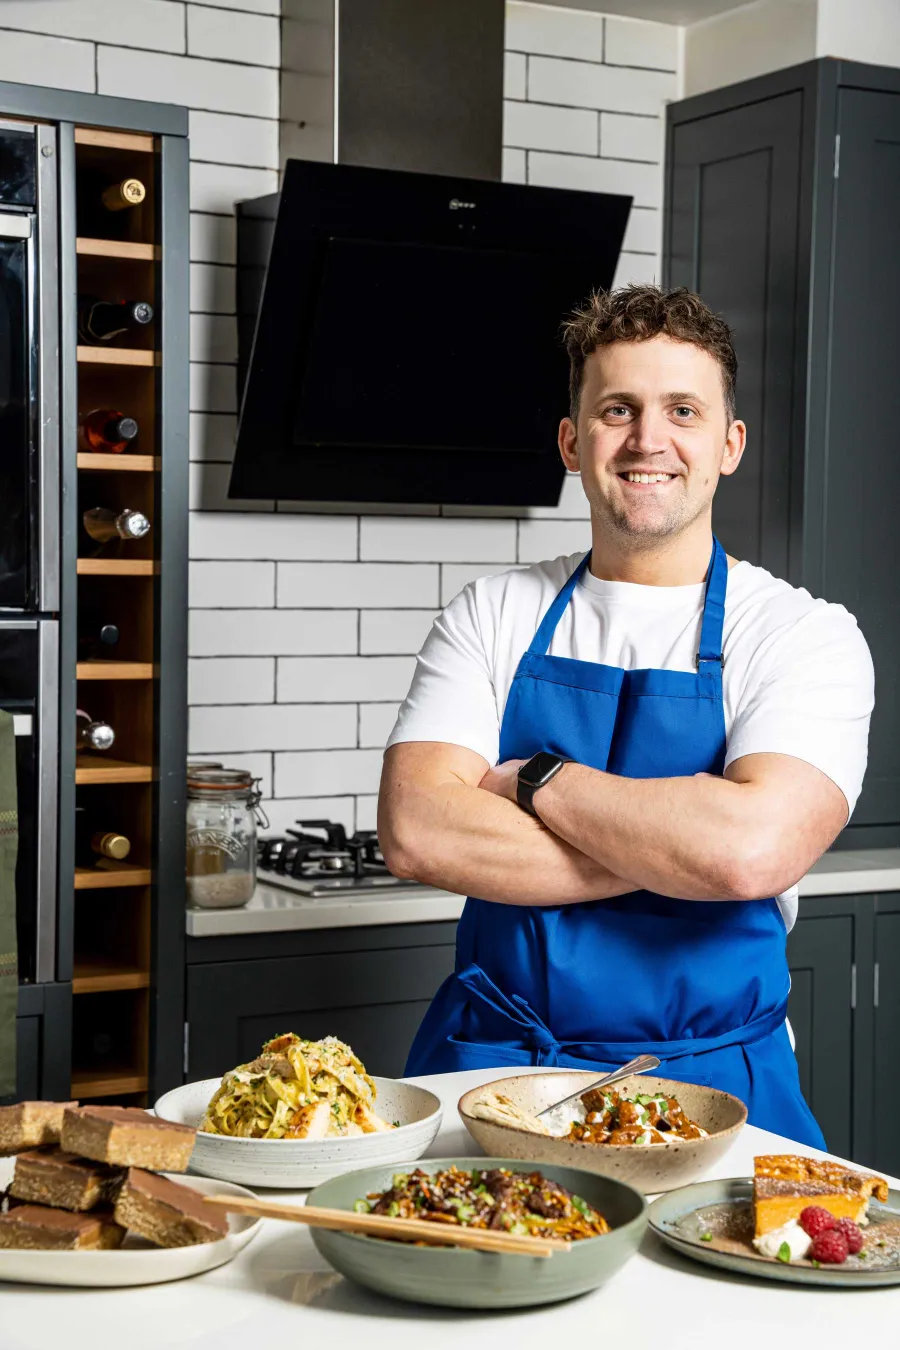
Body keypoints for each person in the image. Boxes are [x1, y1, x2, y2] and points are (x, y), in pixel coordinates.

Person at [377, 285, 873, 1148]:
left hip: (716, 1087)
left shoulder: (802, 632)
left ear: (729, 445)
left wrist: (533, 780)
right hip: (494, 1073)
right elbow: (417, 829)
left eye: (683, 409)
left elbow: (748, 850)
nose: (650, 440)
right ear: (574, 442)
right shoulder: (491, 612)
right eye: (618, 409)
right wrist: (678, 846)